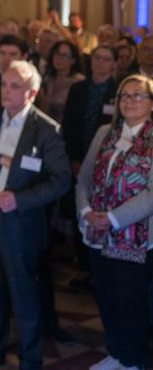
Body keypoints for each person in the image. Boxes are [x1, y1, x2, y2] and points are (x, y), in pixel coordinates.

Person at [0, 60, 70, 370]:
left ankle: (30, 359)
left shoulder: (45, 129)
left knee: (22, 290)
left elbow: (60, 180)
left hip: (20, 218)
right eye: (4, 84)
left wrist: (20, 199)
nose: (6, 91)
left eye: (14, 86)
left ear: (31, 93)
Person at [76, 75, 153, 370]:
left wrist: (112, 218)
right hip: (98, 233)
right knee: (107, 298)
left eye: (138, 96)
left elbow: (151, 194)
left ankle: (132, 360)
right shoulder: (104, 134)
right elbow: (83, 179)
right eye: (124, 96)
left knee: (130, 302)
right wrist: (85, 212)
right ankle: (117, 353)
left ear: (151, 103)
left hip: (135, 235)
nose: (129, 101)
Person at [61, 44, 118, 287]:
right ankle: (84, 265)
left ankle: (102, 266)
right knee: (81, 209)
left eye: (106, 59)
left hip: (107, 163)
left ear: (114, 64)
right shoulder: (79, 88)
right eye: (97, 58)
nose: (101, 63)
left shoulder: (117, 90)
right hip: (79, 157)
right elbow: (69, 125)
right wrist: (74, 158)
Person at [41, 39, 85, 123]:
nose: (59, 58)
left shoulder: (79, 82)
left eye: (64, 55)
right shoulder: (47, 78)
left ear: (73, 60)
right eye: (57, 54)